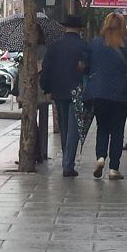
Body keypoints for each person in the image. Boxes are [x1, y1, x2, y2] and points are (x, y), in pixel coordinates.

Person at [82, 13, 127, 180]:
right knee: (117, 130)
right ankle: (114, 168)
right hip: (121, 93)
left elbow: (85, 67)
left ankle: (100, 157)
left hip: (99, 93)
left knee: (102, 127)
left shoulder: (94, 44)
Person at [41, 16, 88, 177]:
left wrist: (46, 87)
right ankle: (68, 164)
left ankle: (66, 161)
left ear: (64, 28)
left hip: (59, 91)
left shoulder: (54, 46)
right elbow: (88, 69)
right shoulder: (84, 46)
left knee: (64, 127)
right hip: (78, 91)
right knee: (74, 128)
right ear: (80, 29)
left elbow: (46, 68)